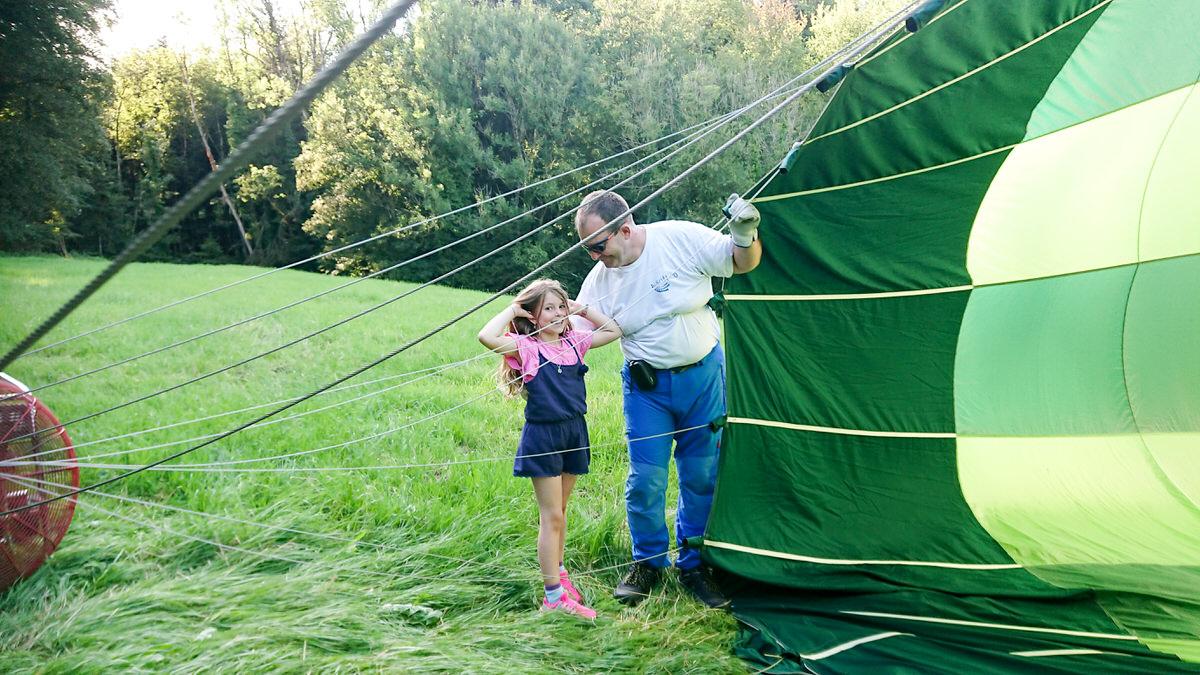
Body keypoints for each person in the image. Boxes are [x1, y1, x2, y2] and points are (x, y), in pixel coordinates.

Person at [572, 189, 761, 608]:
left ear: (624, 229)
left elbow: (741, 262)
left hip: (703, 379)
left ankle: (694, 565)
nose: (594, 256)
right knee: (646, 480)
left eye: (598, 246)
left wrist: (744, 234)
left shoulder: (679, 238)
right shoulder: (599, 280)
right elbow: (573, 337)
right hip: (647, 391)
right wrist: (527, 340)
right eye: (587, 249)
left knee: (702, 476)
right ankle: (648, 563)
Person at [478, 278, 622, 618]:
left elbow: (613, 331)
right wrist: (512, 310)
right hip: (543, 436)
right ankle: (553, 597)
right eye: (549, 309)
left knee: (562, 511)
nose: (558, 314)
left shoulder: (574, 342)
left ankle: (559, 573)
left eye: (561, 307)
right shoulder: (526, 347)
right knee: (551, 515)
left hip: (574, 432)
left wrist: (581, 309)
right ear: (533, 315)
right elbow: (486, 336)